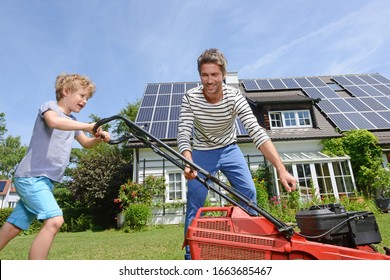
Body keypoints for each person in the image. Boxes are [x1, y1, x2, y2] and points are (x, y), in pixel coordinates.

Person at [178, 48, 297, 260]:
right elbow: (184, 133)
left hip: (229, 149)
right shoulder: (190, 97)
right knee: (195, 204)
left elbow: (256, 132)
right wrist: (188, 162)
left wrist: (281, 169)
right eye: (205, 75)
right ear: (200, 76)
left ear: (223, 75)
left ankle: (247, 250)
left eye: (214, 74)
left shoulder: (235, 97)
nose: (209, 80)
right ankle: (191, 259)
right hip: (201, 152)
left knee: (249, 194)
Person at [0, 73, 110, 260]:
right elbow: (54, 122)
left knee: (14, 225)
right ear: (66, 91)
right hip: (31, 176)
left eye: (87, 98)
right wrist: (87, 126)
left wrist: (98, 139)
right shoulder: (50, 107)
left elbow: (85, 144)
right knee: (55, 220)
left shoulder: (74, 123)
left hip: (45, 182)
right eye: (82, 96)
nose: (85, 101)